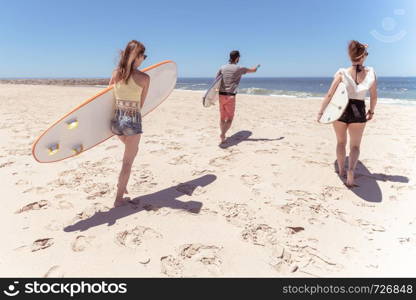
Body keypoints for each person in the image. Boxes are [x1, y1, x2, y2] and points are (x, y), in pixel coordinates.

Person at [317, 40, 377, 187]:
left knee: (341, 142)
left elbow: (330, 95)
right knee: (355, 146)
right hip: (359, 110)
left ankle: (341, 170)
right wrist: (371, 111)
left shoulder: (342, 73)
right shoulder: (370, 73)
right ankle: (351, 170)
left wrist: (321, 112)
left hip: (341, 110)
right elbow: (374, 96)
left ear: (350, 56)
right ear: (363, 56)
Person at [109, 40, 150, 207]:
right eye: (144, 56)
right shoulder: (144, 78)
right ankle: (119, 199)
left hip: (117, 120)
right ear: (137, 57)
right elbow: (141, 104)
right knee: (128, 161)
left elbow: (106, 98)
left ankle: (123, 184)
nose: (144, 59)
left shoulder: (115, 73)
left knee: (133, 152)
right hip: (132, 120)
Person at [216, 50, 260, 144]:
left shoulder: (222, 67)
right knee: (230, 118)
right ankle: (223, 134)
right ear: (237, 58)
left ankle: (222, 135)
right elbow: (253, 70)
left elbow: (216, 80)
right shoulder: (239, 68)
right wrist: (257, 66)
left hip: (221, 95)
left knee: (222, 118)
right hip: (231, 96)